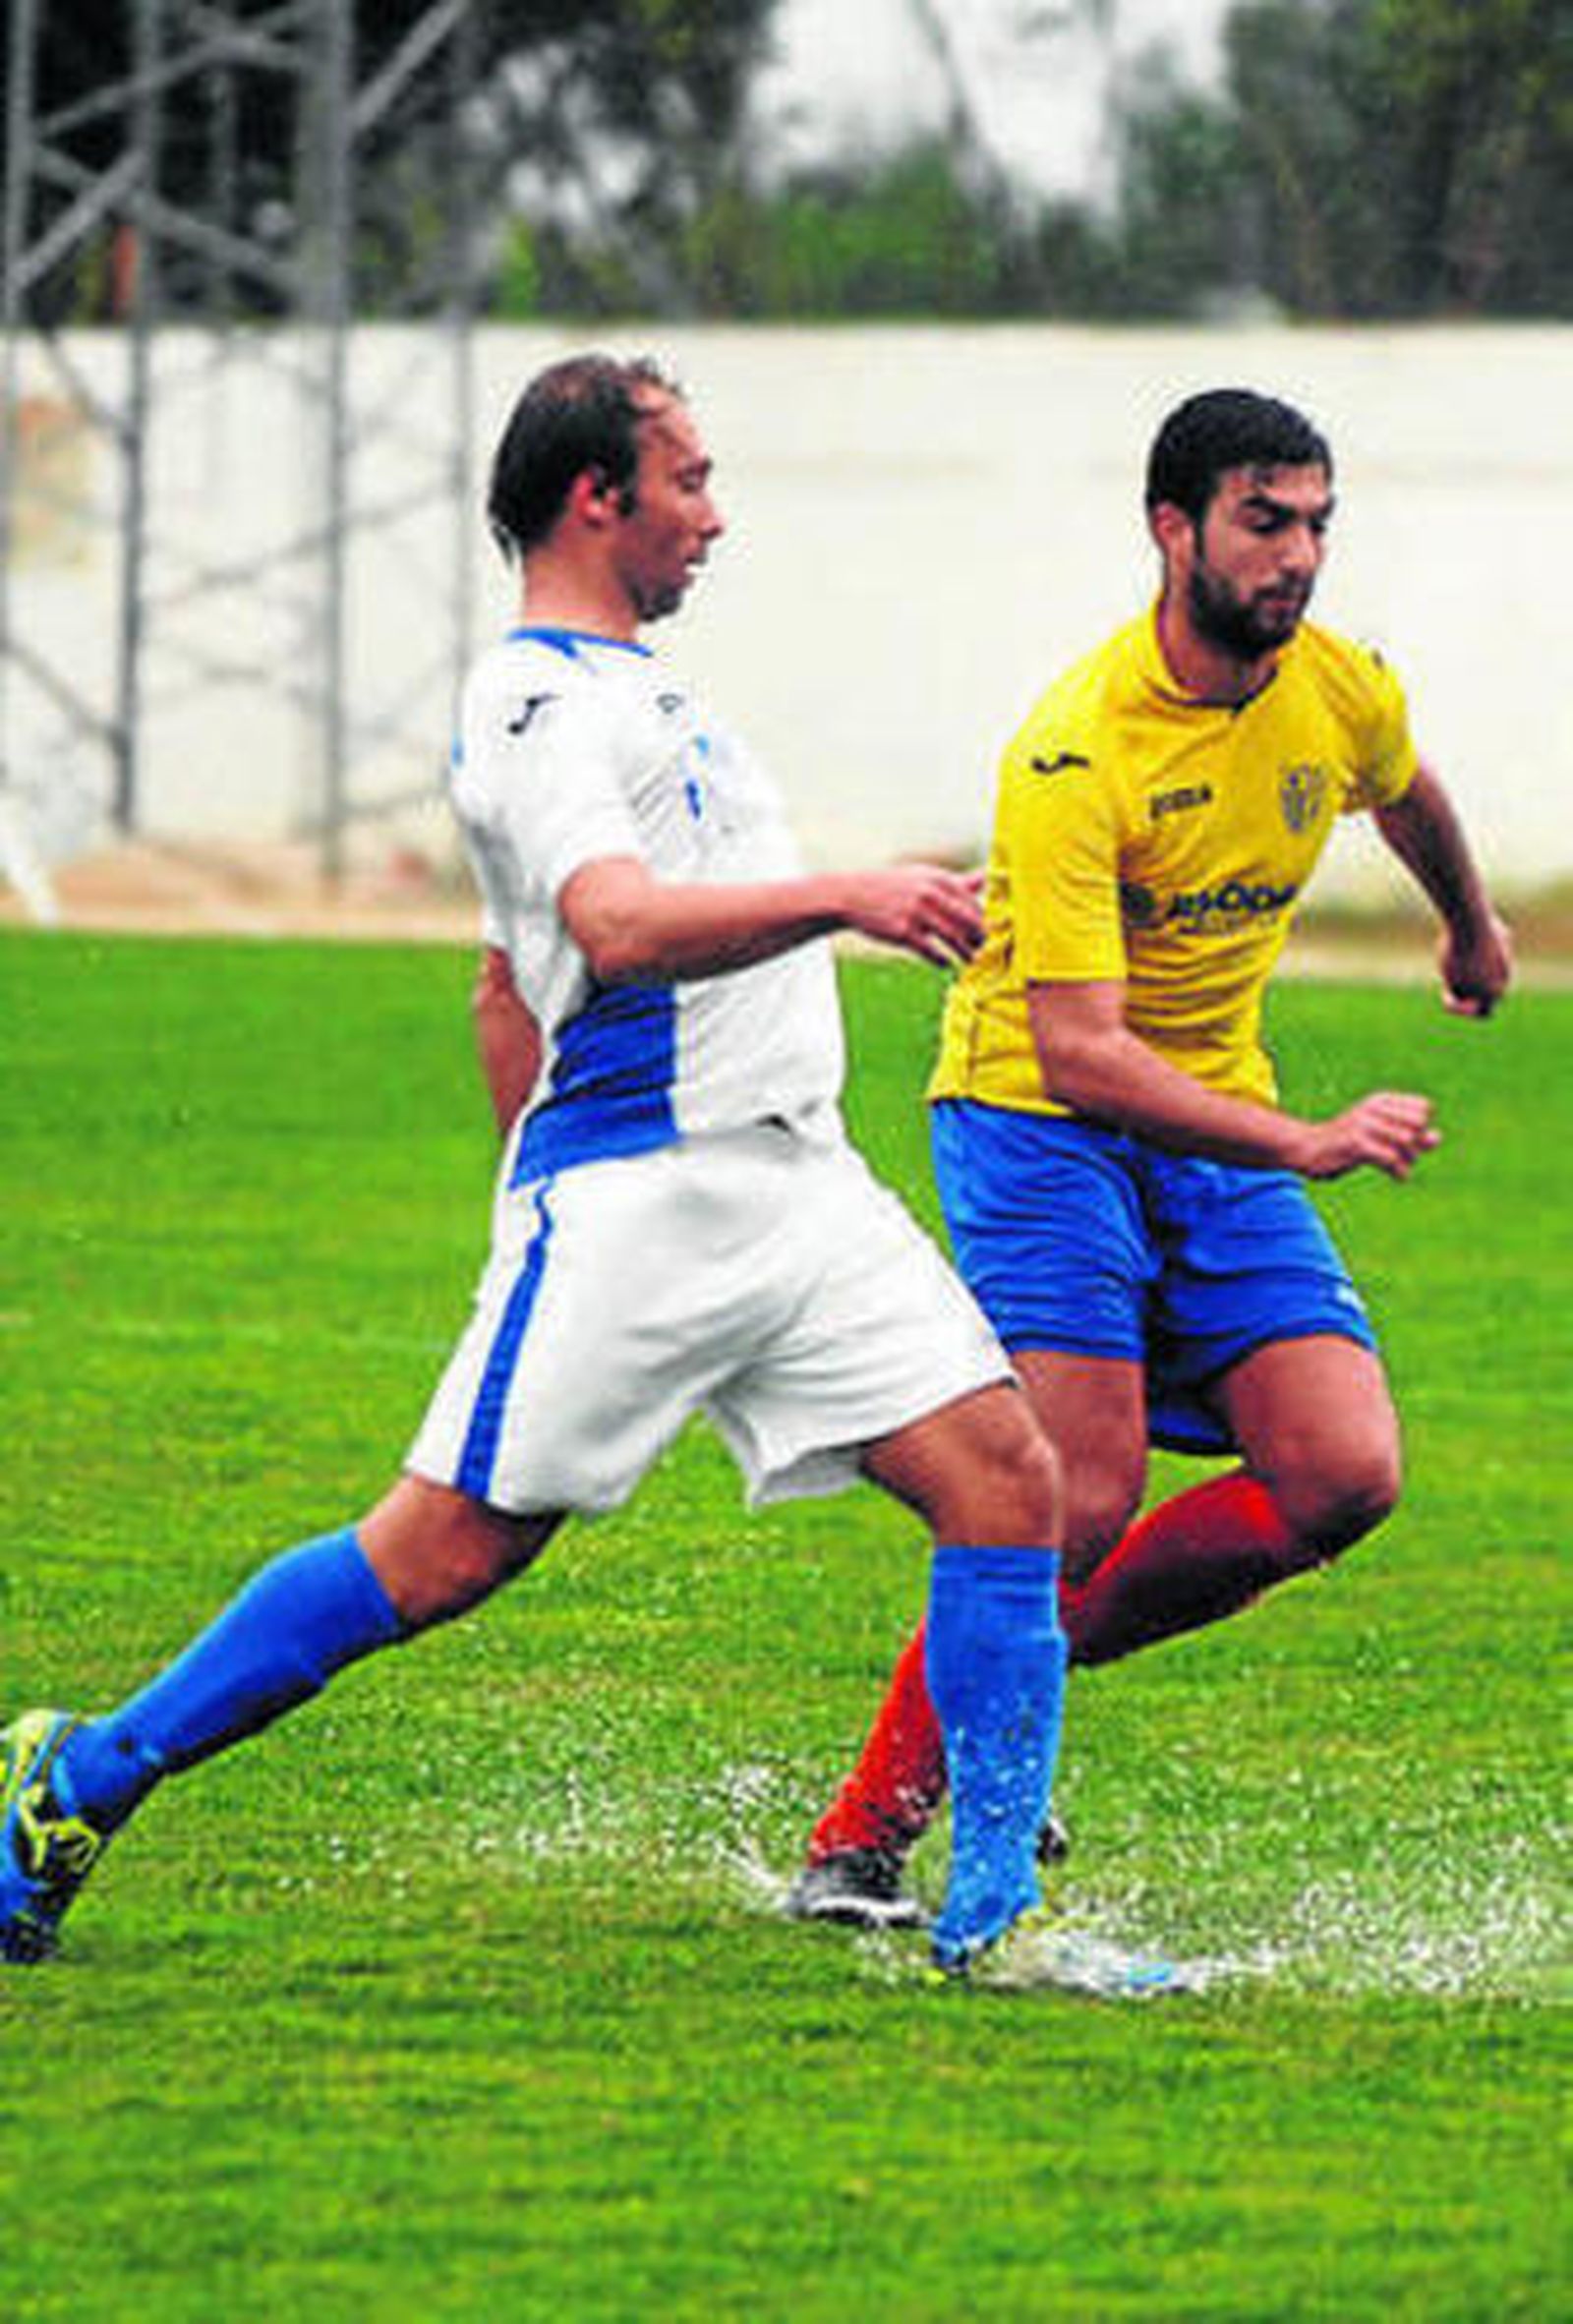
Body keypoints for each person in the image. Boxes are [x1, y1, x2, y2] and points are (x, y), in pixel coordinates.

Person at [1, 353, 1071, 1980]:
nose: (716, 515)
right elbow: (611, 929)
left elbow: (504, 982)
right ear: (596, 496)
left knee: (1007, 1480)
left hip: (802, 1192)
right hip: (647, 1196)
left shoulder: (653, 697)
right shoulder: (534, 705)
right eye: (690, 480)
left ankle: (992, 1921)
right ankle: (77, 1780)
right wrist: (850, 896)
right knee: (439, 1554)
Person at [786, 385, 1512, 1928]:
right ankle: (858, 1841)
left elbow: (1405, 787)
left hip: (1213, 1120)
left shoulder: (1336, 685)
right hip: (1041, 1125)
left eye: (1316, 523)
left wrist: (1470, 922)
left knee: (1342, 1474)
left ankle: (1015, 1686)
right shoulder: (1075, 752)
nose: (1297, 554)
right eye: (1264, 521)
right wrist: (1303, 1138)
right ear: (1173, 528)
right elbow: (1080, 1054)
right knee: (1076, 1499)